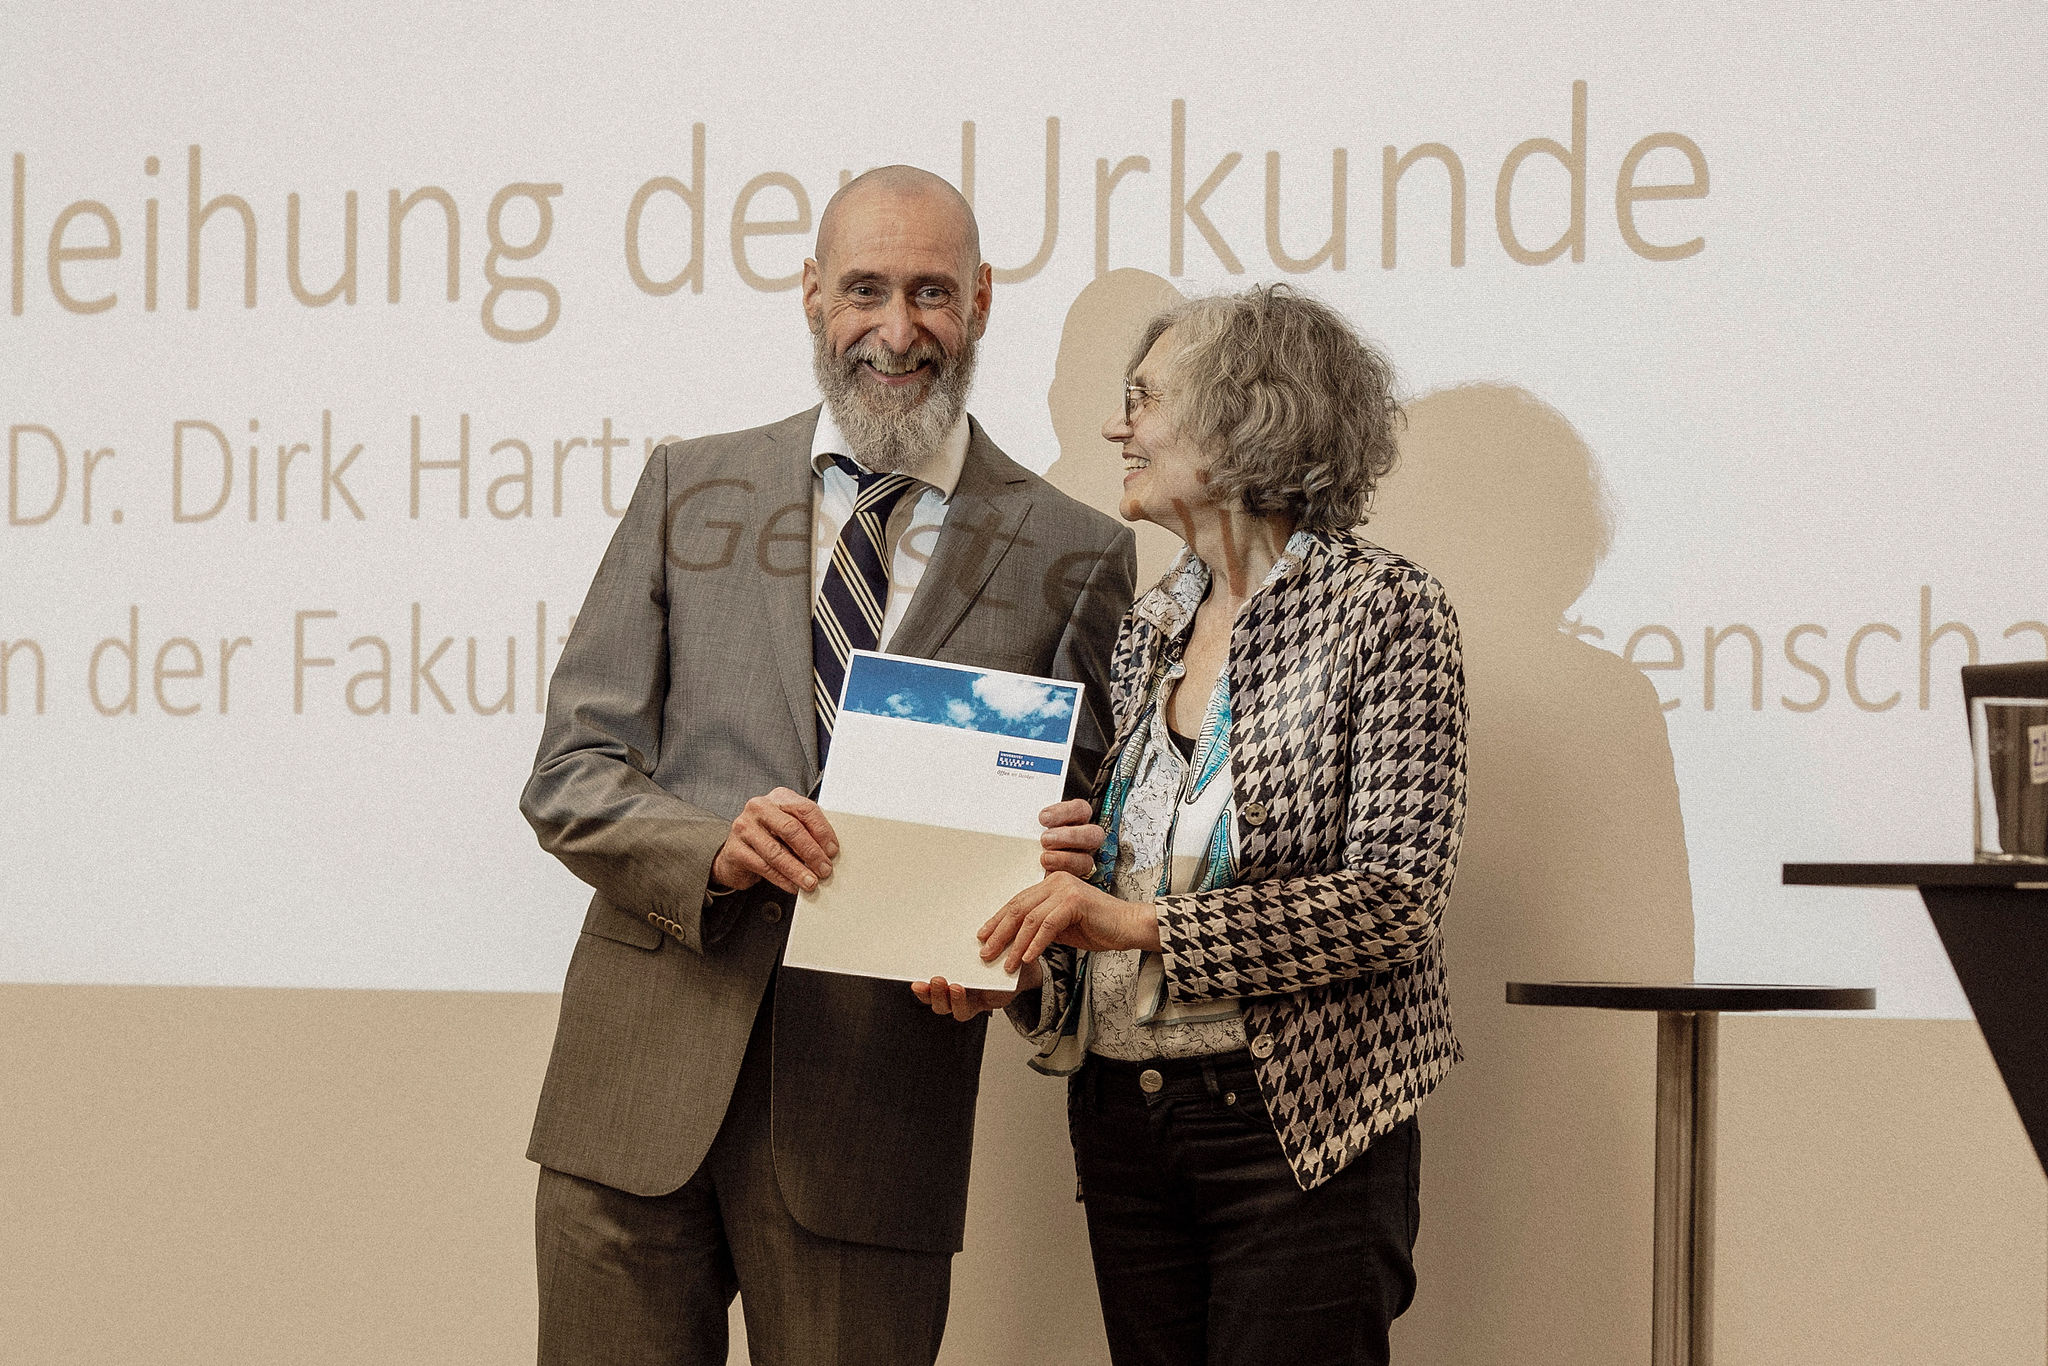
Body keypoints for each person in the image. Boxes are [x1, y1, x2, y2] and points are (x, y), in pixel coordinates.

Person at [520, 165, 1135, 1366]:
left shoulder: (1076, 552)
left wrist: (1019, 954)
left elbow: (1078, 850)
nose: (895, 331)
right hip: (630, 1101)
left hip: (874, 1118)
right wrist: (713, 848)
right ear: (811, 293)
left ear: (981, 299)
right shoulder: (685, 488)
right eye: (864, 289)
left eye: (930, 293)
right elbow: (571, 771)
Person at [919, 283, 1467, 1365]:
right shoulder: (1149, 624)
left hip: (1294, 1128)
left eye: (1143, 399)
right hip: (1127, 1120)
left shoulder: (1385, 611)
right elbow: (1111, 892)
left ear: (1242, 415)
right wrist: (1018, 972)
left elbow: (1394, 901)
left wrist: (1135, 926)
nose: (1115, 427)